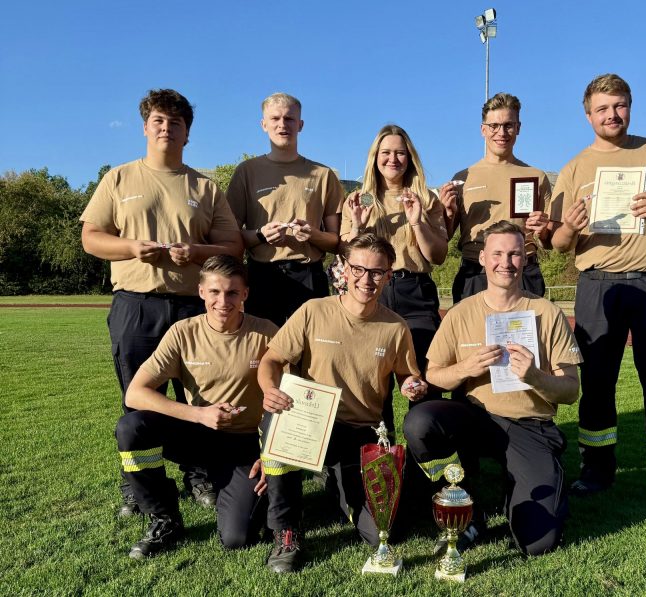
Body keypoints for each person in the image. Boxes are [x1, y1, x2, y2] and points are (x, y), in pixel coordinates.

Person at [548, 73, 646, 511]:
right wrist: (568, 228)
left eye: (619, 105)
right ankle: (597, 471)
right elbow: (557, 243)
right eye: (602, 108)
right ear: (588, 115)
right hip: (599, 285)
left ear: (630, 106)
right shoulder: (574, 167)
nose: (611, 114)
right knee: (597, 385)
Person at [80, 89, 243, 516]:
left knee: (198, 397)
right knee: (137, 399)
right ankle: (139, 487)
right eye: (158, 121)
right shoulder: (118, 178)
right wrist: (133, 247)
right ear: (145, 127)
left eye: (176, 122)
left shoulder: (204, 186)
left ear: (187, 133)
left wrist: (198, 252)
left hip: (193, 306)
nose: (166, 128)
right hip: (136, 304)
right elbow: (91, 238)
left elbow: (232, 246)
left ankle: (199, 473)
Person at [403, 221, 581, 556]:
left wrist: (535, 376)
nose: (506, 262)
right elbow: (434, 375)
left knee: (538, 542)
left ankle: (526, 483)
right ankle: (464, 501)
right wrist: (465, 369)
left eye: (515, 254)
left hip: (528, 425)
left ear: (525, 259)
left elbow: (571, 391)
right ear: (482, 258)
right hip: (474, 417)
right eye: (497, 254)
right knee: (420, 423)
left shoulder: (546, 312)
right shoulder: (461, 313)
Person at [257, 233, 426, 573]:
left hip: (362, 433)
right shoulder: (313, 311)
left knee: (382, 530)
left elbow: (409, 377)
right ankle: (286, 531)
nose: (367, 279)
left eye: (377, 272)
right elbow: (271, 360)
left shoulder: (396, 327)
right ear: (343, 270)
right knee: (276, 421)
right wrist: (268, 389)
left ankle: (331, 480)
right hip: (311, 422)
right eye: (359, 269)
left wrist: (412, 386)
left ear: (389, 276)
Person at [116, 255, 275, 558]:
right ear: (201, 292)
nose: (222, 301)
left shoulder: (266, 332)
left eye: (231, 292)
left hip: (245, 446)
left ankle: (248, 496)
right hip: (198, 435)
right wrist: (199, 414)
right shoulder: (182, 332)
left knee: (237, 538)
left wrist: (273, 454)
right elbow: (135, 393)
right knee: (132, 427)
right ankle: (164, 518)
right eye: (214, 292)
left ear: (245, 294)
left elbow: (293, 394)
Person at [342, 124, 448, 400]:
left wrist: (417, 223)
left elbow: (438, 256)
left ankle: (422, 439)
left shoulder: (425, 198)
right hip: (370, 291)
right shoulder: (359, 199)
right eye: (386, 152)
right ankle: (379, 443)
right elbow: (346, 257)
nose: (393, 159)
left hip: (414, 292)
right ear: (375, 157)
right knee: (372, 383)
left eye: (400, 153)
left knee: (421, 382)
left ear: (410, 157)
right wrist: (357, 227)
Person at [226, 92, 344, 326]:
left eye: (289, 119)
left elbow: (336, 240)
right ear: (264, 124)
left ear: (300, 124)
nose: (282, 125)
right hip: (261, 275)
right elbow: (230, 236)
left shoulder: (323, 175)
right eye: (275, 118)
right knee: (262, 352)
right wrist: (260, 235)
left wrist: (314, 235)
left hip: (309, 274)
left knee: (312, 352)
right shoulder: (246, 172)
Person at [438, 93, 552, 304]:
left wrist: (543, 229)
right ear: (483, 129)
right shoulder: (463, 178)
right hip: (475, 272)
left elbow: (549, 241)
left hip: (523, 271)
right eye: (494, 126)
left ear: (518, 128)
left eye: (508, 125)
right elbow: (445, 237)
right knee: (471, 337)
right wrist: (448, 212)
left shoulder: (537, 177)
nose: (501, 132)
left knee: (524, 337)